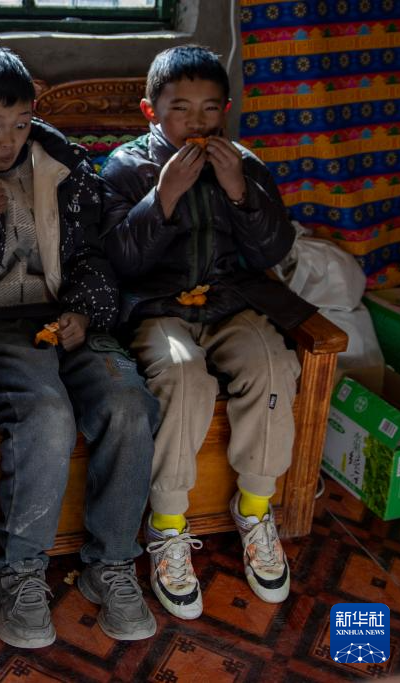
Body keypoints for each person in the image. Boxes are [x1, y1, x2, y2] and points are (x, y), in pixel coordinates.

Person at [0, 46, 160, 645]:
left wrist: (83, 312)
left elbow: (93, 256)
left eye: (20, 124)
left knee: (128, 402)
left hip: (64, 316)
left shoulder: (64, 166)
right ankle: (20, 572)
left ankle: (111, 562)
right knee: (47, 413)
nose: (8, 140)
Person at [99, 45, 316, 621]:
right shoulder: (124, 168)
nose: (196, 123)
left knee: (272, 362)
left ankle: (256, 507)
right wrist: (163, 196)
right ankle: (168, 522)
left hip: (230, 300)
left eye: (209, 109)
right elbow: (119, 262)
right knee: (183, 374)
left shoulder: (243, 164)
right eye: (180, 109)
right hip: (158, 307)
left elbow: (272, 250)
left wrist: (240, 191)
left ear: (227, 110)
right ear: (151, 111)